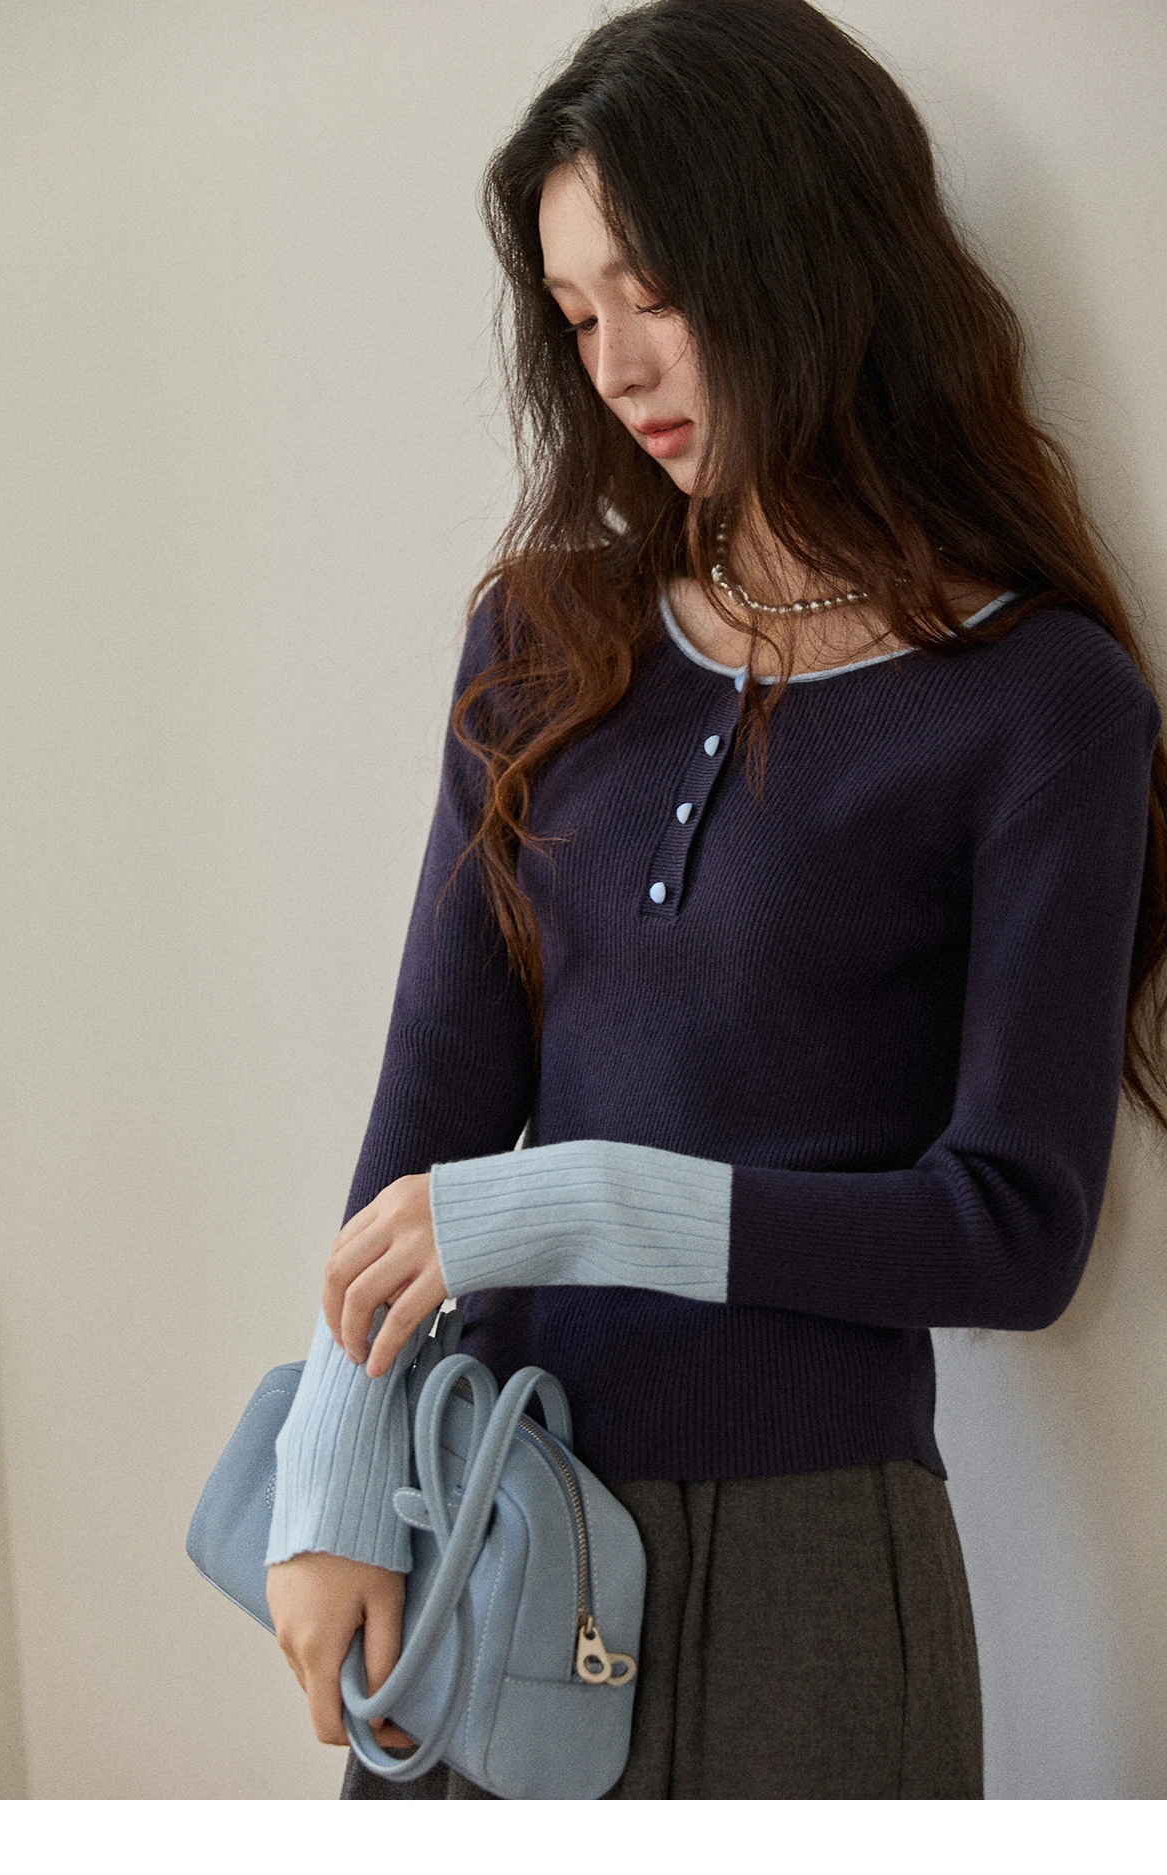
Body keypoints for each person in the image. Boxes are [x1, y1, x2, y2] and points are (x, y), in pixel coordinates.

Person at [261, 0, 1167, 1800]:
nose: (614, 364)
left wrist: (569, 1201)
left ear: (813, 257)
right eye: (574, 312)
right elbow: (425, 1131)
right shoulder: (541, 639)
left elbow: (1011, 1231)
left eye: (655, 292)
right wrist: (332, 1476)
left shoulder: (1042, 703)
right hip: (495, 1521)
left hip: (814, 1576)